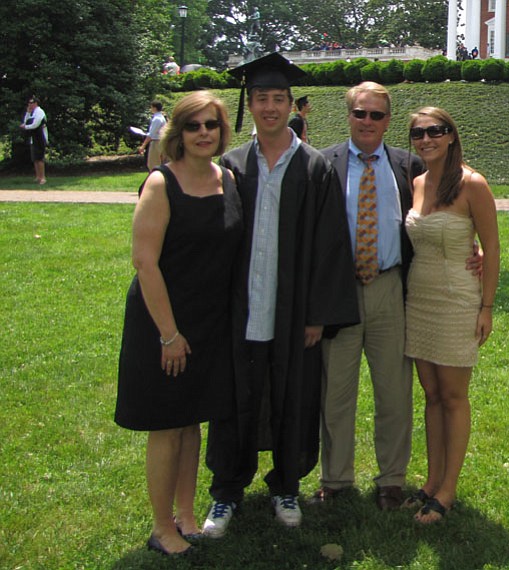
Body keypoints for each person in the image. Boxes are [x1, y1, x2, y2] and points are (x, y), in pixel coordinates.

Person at [203, 52, 358, 536]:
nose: (270, 107)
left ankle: (286, 485)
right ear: (249, 105)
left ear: (291, 104)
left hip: (293, 315)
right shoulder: (229, 166)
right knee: (234, 400)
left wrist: (317, 315)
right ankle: (226, 491)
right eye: (261, 99)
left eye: (278, 98)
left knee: (293, 398)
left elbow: (332, 244)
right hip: (240, 310)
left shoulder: (314, 168)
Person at [313, 82, 481, 511]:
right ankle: (335, 479)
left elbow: (437, 214)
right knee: (336, 392)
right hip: (340, 292)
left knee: (395, 391)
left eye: (377, 115)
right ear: (348, 115)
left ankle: (392, 479)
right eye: (360, 114)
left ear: (388, 120)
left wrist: (471, 247)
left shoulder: (408, 166)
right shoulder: (323, 165)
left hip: (392, 287)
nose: (368, 122)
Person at [115, 91, 243, 555]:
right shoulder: (161, 184)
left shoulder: (228, 180)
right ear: (179, 133)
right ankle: (161, 527)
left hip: (209, 322)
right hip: (163, 320)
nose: (204, 133)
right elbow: (144, 263)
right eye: (194, 126)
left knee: (192, 423)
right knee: (168, 425)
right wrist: (169, 335)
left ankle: (187, 515)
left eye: (211, 125)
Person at [403, 106, 499, 524]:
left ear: (451, 136)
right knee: (431, 394)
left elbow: (492, 249)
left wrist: (487, 306)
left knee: (454, 395)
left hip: (458, 299)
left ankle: (448, 489)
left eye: (435, 131)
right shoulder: (417, 182)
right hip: (419, 297)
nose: (427, 139)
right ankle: (430, 479)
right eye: (419, 133)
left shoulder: (472, 184)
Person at [20, 96, 48, 185]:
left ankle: (43, 177)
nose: (30, 105)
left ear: (36, 103)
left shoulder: (39, 112)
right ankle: (38, 176)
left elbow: (35, 124)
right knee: (35, 159)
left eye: (31, 103)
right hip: (33, 138)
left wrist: (26, 127)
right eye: (29, 103)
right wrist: (27, 113)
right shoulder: (32, 113)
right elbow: (26, 121)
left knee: (39, 158)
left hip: (40, 138)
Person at [139, 100, 167, 171]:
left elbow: (151, 134)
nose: (150, 109)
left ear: (154, 108)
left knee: (153, 164)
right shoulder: (161, 117)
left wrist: (143, 146)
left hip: (156, 142)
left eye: (151, 107)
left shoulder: (157, 119)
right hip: (160, 141)